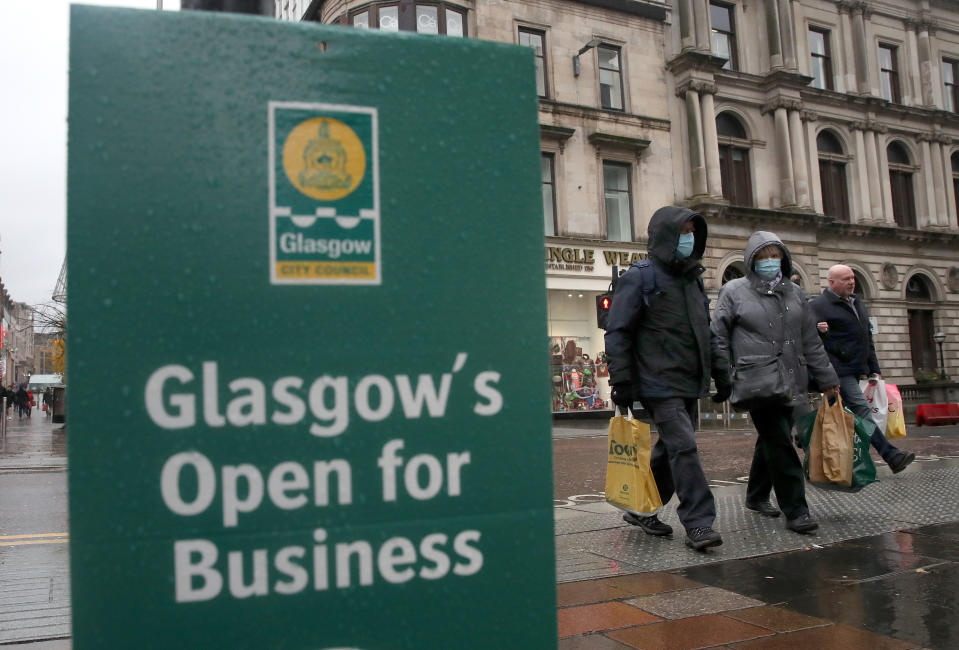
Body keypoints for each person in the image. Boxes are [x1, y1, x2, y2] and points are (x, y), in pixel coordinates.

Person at [605, 206, 730, 551]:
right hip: (659, 382)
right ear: (665, 235)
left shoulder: (692, 280)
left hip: (689, 380)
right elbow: (618, 332)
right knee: (684, 447)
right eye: (683, 232)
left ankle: (641, 509)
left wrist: (722, 371)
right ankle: (699, 523)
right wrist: (622, 381)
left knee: (671, 449)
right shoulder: (640, 276)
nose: (689, 239)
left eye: (693, 232)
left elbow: (707, 331)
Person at [712, 233, 840, 534]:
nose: (770, 262)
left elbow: (811, 340)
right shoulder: (733, 291)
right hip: (758, 381)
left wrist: (828, 379)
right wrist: (722, 376)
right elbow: (717, 336)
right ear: (751, 261)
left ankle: (756, 496)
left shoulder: (795, 293)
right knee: (781, 443)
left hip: (793, 378)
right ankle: (796, 510)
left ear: (783, 258)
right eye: (762, 256)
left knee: (772, 439)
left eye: (775, 255)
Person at [811, 264, 915, 473]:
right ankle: (891, 455)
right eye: (846, 279)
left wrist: (874, 368)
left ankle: (804, 439)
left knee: (836, 414)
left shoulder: (858, 303)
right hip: (839, 371)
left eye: (852, 278)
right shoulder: (819, 306)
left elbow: (867, 337)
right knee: (861, 410)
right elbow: (811, 342)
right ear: (832, 283)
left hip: (858, 368)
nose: (851, 282)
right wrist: (820, 335)